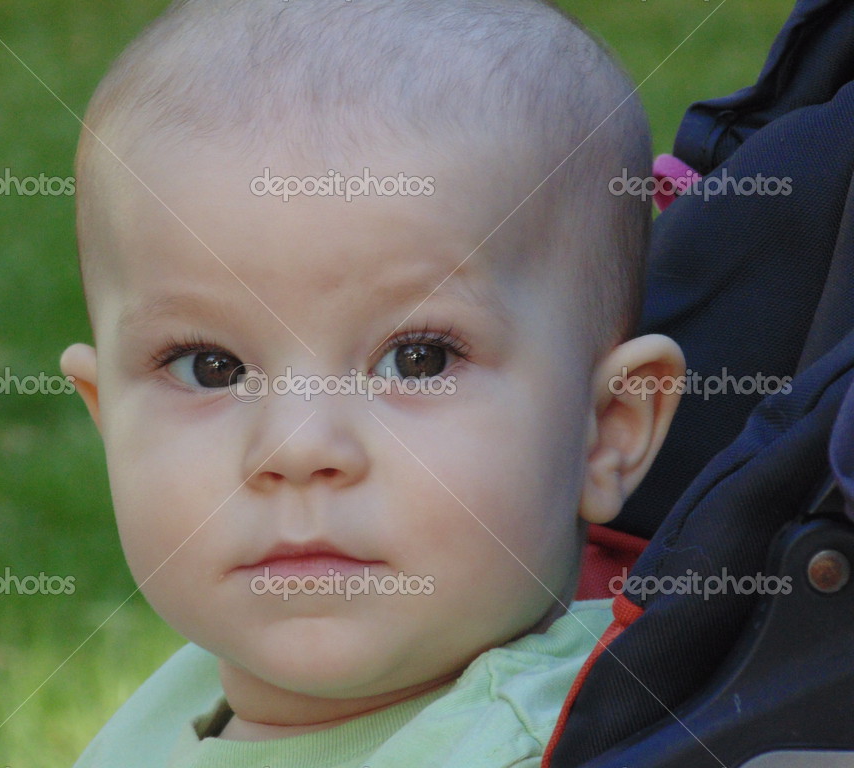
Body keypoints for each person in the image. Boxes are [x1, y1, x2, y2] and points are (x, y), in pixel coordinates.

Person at [60, 0, 684, 764]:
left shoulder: (575, 744)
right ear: (107, 418)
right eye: (210, 368)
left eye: (417, 360)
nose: (294, 446)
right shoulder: (194, 693)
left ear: (608, 428)